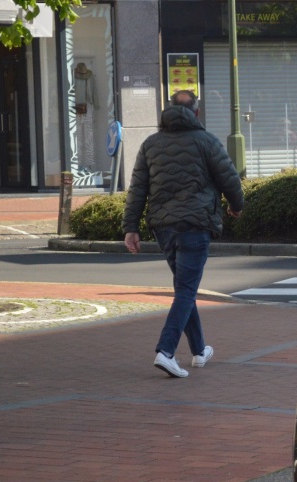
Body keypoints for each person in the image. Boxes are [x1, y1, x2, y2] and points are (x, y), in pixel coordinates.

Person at [123, 89, 244, 379]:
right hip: (196, 224)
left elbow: (138, 188)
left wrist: (131, 228)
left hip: (163, 227)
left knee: (183, 289)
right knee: (187, 290)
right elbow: (229, 177)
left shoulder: (150, 144)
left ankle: (200, 350)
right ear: (196, 112)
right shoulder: (206, 141)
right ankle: (165, 351)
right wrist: (236, 206)